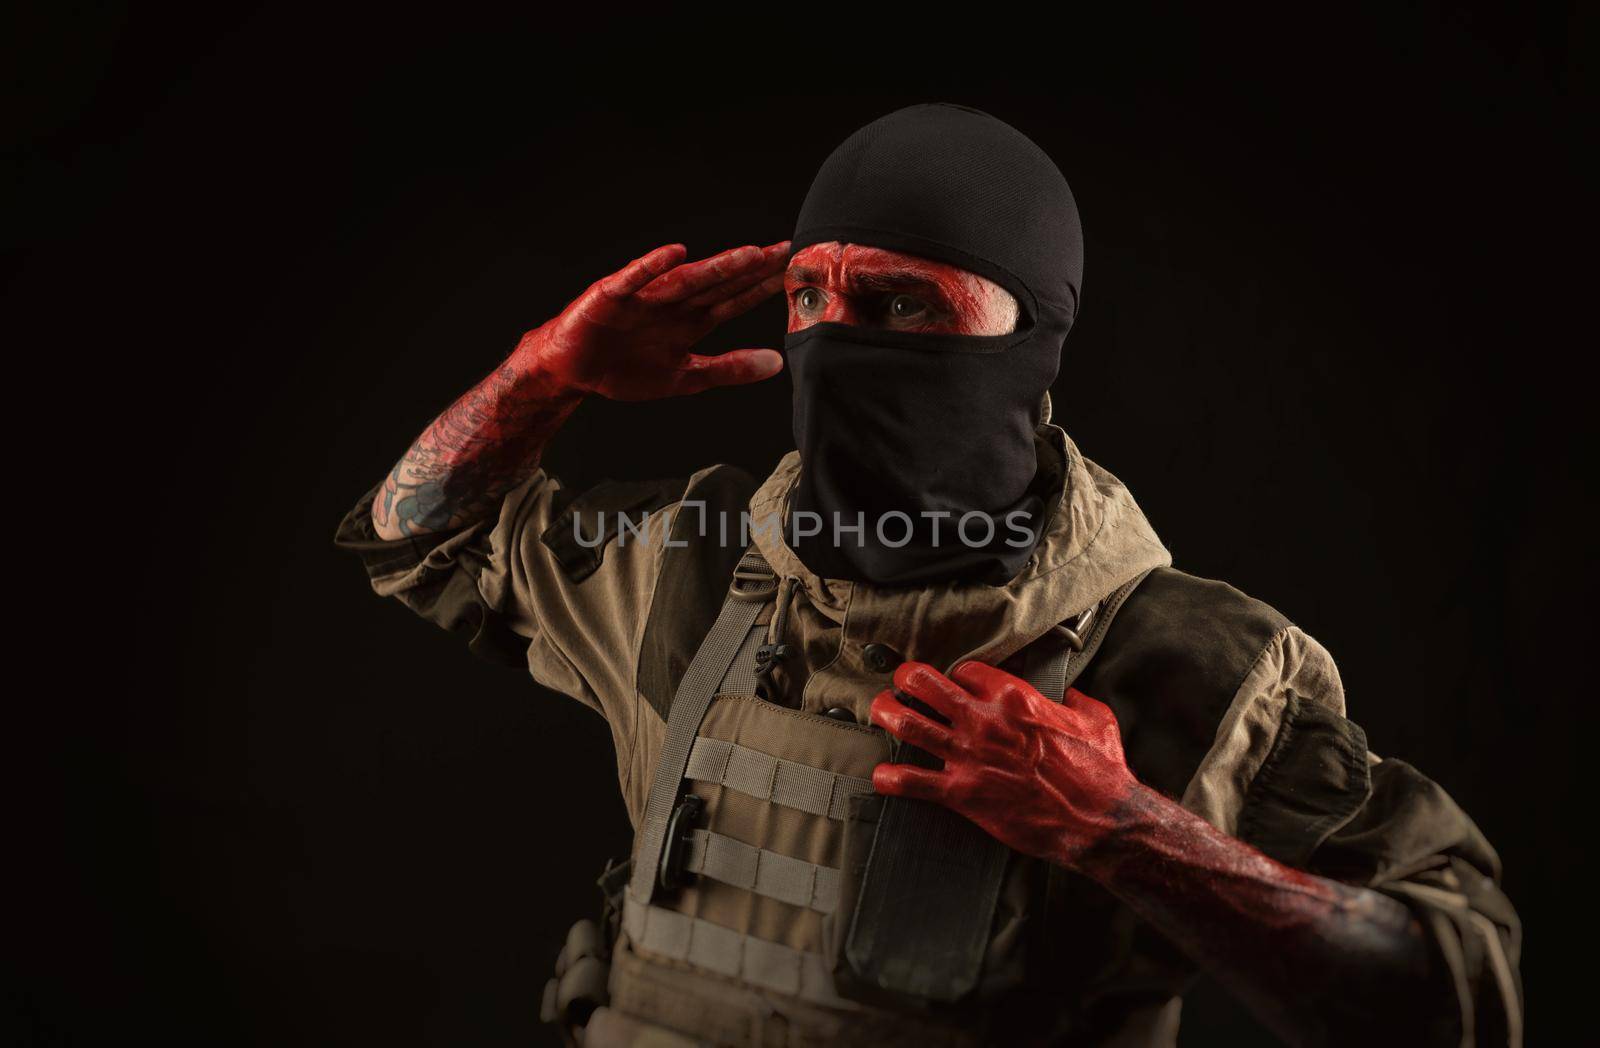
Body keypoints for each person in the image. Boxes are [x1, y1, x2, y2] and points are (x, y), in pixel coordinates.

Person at [336, 104, 1520, 1046]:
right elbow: (416, 536)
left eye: (906, 303)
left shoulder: (1193, 665)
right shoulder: (683, 566)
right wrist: (548, 374)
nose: (837, 341)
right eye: (811, 296)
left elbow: (1452, 995)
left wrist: (1124, 829)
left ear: (1034, 341)